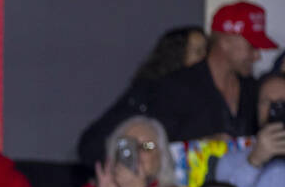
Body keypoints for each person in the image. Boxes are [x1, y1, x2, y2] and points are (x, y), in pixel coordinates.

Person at [77, 25, 207, 166]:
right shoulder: (149, 94)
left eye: (207, 52)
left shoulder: (210, 97)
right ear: (176, 55)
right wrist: (146, 149)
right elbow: (148, 144)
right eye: (198, 52)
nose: (204, 60)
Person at [150, 0, 276, 143]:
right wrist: (200, 145)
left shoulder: (253, 89)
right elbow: (149, 146)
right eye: (252, 47)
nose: (257, 56)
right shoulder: (175, 87)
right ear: (225, 42)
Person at [214, 72, 285, 187]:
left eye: (282, 102)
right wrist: (254, 162)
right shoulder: (232, 161)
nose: (274, 109)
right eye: (266, 102)